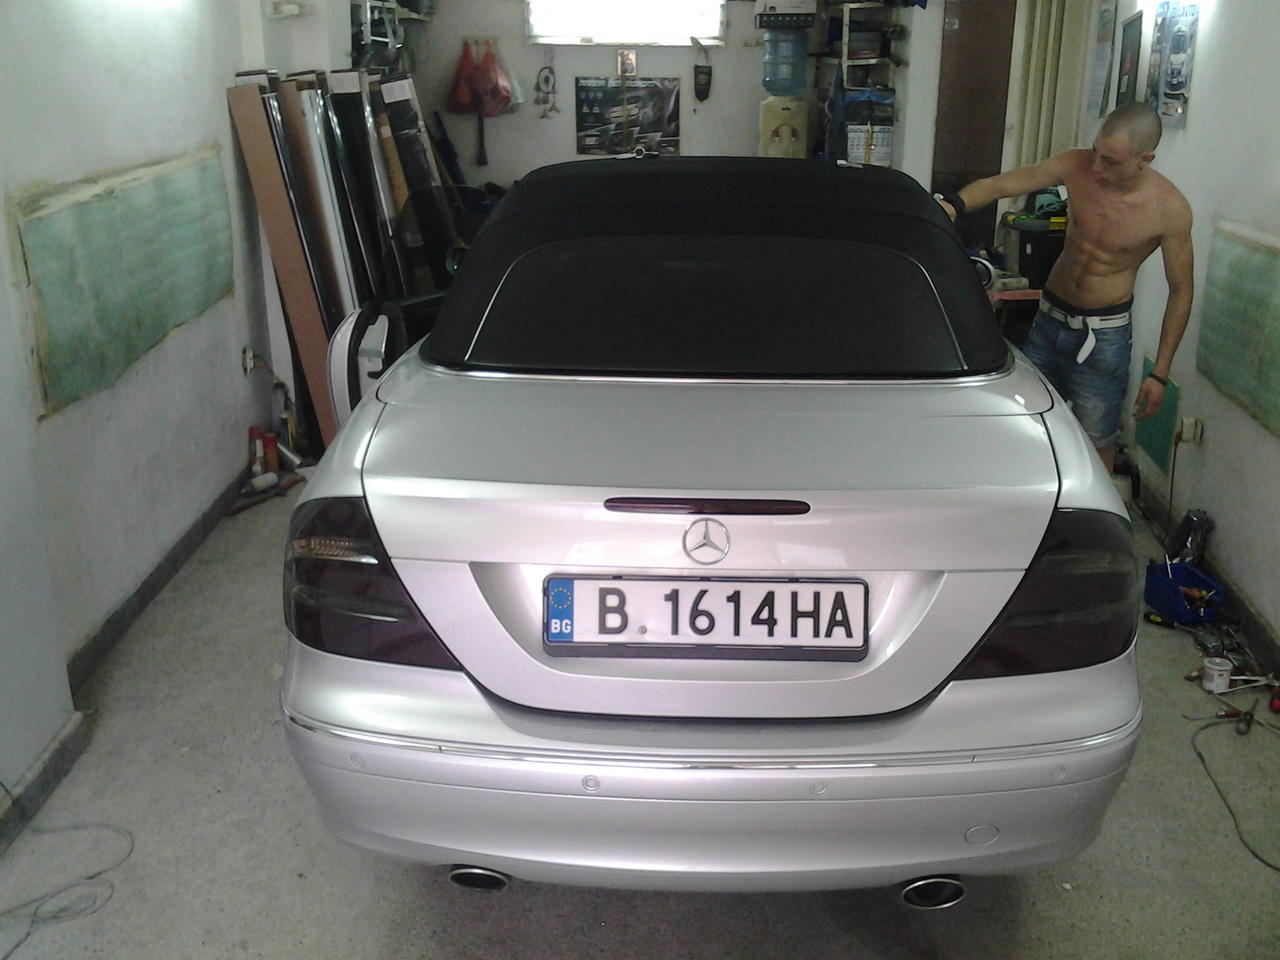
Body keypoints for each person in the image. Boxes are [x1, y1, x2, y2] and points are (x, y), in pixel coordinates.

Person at [935, 102, 1193, 472]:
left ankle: (1095, 509)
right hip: (1048, 320)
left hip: (1101, 338)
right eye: (1096, 152)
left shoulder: (1170, 210)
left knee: (1095, 442)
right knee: (1024, 424)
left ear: (1145, 159)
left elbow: (1181, 291)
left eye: (1110, 161)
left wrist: (1160, 372)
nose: (1097, 167)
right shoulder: (1077, 164)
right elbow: (1001, 184)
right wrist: (953, 206)